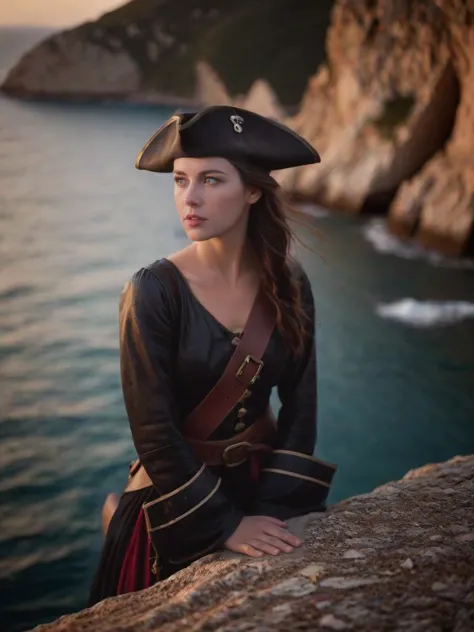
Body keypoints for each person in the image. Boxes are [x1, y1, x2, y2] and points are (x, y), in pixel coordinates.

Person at [88, 105, 337, 605]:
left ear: (251, 191)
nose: (190, 198)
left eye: (211, 180)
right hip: (177, 502)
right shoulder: (153, 291)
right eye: (180, 180)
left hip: (262, 486)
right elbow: (154, 431)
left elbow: (301, 403)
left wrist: (272, 506)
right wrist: (224, 523)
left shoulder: (289, 283)